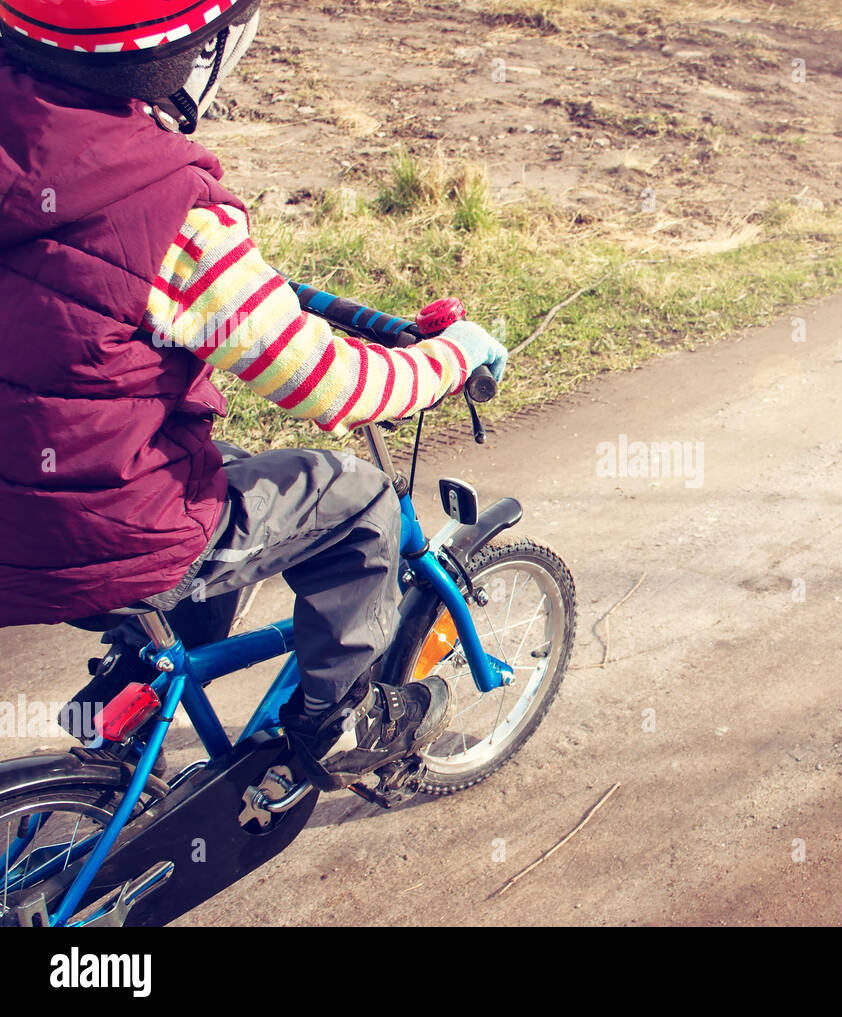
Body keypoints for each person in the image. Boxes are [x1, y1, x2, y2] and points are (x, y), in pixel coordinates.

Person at [0, 0, 508, 790]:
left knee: (208, 465)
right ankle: (332, 728)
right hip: (92, 528)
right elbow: (334, 386)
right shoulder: (174, 217)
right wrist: (452, 355)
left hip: (18, 505)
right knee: (363, 503)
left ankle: (131, 695)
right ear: (190, 54)